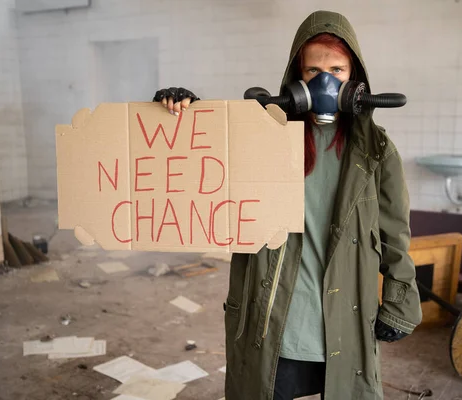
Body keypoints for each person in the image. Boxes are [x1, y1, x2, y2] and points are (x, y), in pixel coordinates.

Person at [153, 10, 422, 400]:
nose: (325, 80)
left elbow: (395, 233)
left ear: (355, 79)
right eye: (313, 71)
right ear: (296, 78)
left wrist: (400, 300)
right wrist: (187, 117)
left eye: (337, 69)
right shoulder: (261, 137)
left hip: (341, 319)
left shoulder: (376, 152)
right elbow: (197, 167)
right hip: (274, 319)